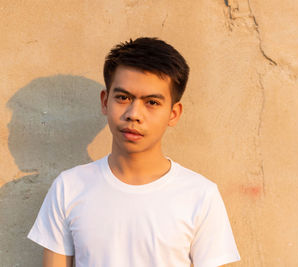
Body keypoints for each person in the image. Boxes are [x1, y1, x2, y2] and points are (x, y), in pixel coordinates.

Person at [27, 37, 240, 267]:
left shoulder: (200, 195)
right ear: (105, 101)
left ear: (174, 113)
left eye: (152, 102)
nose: (134, 114)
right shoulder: (69, 188)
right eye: (123, 97)